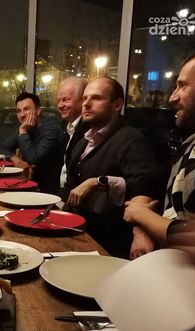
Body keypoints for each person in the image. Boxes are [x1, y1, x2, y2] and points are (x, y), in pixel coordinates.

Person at [59, 76, 161, 258]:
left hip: (108, 246)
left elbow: (145, 188)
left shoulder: (131, 140)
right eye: (85, 98)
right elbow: (70, 185)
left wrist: (98, 182)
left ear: (117, 105)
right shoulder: (85, 141)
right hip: (77, 233)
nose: (86, 104)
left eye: (96, 98)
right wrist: (50, 210)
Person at [124, 51, 195, 258]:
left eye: (183, 86)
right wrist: (141, 228)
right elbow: (149, 183)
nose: (172, 97)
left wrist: (140, 214)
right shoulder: (192, 143)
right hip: (166, 266)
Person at [0, 92, 65, 194]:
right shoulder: (26, 127)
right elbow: (2, 148)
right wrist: (16, 160)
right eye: (18, 111)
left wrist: (23, 132)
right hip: (29, 183)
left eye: (26, 109)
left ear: (38, 111)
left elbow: (33, 159)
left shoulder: (51, 128)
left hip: (49, 190)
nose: (22, 115)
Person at [56, 76, 89, 186]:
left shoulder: (89, 131)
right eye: (59, 100)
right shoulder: (66, 127)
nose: (60, 105)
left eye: (65, 100)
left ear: (82, 101)